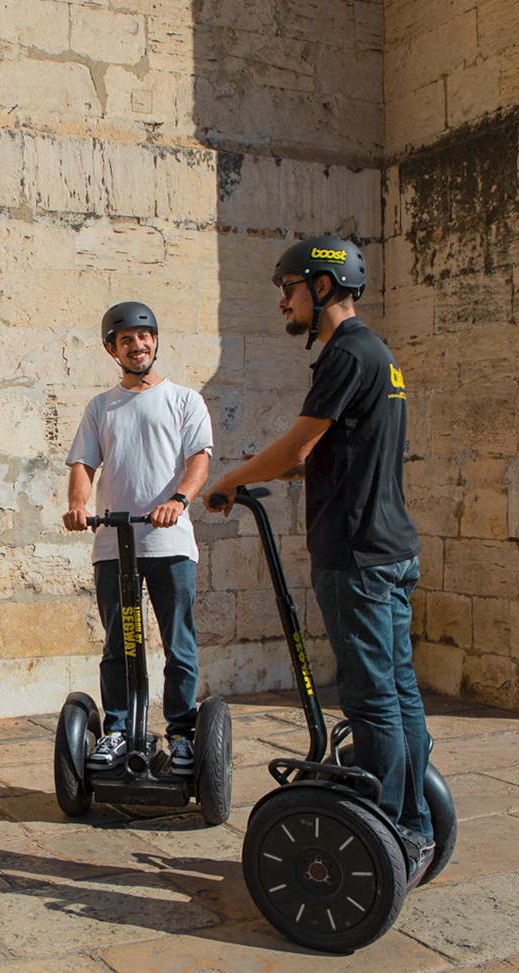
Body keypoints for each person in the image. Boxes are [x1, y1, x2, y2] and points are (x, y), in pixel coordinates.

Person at [204, 235, 433, 881]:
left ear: (322, 286)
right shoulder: (379, 357)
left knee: (371, 701)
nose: (284, 300)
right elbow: (346, 452)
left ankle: (389, 827)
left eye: (289, 287)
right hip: (391, 546)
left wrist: (227, 481)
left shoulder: (343, 355)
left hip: (356, 553)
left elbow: (298, 449)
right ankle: (413, 823)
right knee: (400, 692)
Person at [63, 302, 213, 772]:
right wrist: (78, 506)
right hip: (114, 543)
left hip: (169, 544)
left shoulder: (185, 399)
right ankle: (118, 728)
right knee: (119, 644)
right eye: (126, 339)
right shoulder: (100, 406)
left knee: (178, 645)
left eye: (144, 336)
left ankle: (182, 733)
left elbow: (199, 460)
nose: (137, 345)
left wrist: (180, 501)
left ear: (155, 341)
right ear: (113, 349)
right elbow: (83, 464)